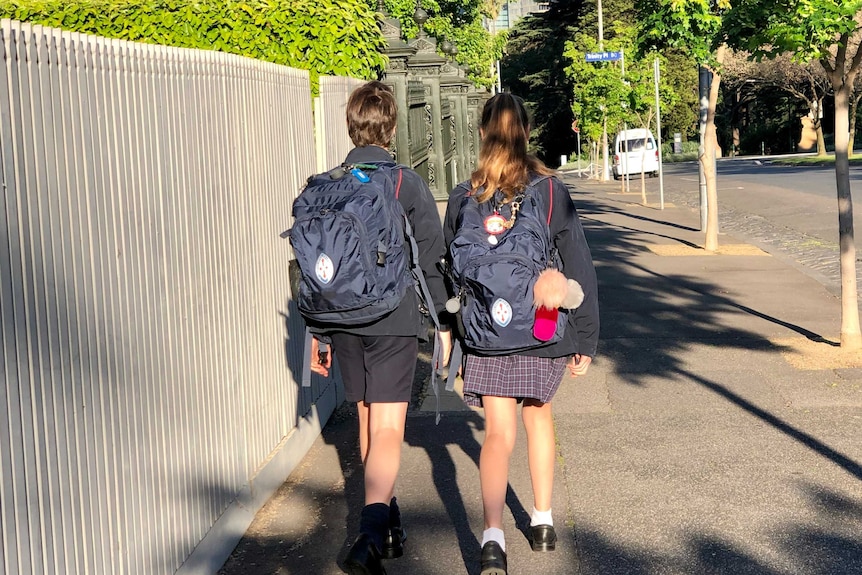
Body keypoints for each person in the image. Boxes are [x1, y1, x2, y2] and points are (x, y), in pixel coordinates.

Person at [443, 93, 599, 575]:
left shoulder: (463, 196)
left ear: (483, 133)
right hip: (543, 327)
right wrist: (585, 339)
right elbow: (579, 266)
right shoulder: (549, 191)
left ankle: (492, 538)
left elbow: (452, 273)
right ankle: (544, 521)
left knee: (497, 433)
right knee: (539, 421)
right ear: (526, 132)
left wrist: (452, 335)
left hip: (488, 330)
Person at [308, 80, 452, 575]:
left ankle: (387, 526)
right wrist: (444, 325)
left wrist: (320, 334)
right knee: (389, 425)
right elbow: (432, 259)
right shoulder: (402, 183)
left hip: (344, 321)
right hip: (393, 319)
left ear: (352, 126)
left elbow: (317, 269)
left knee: (369, 420)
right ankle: (368, 535)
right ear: (391, 127)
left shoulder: (328, 185)